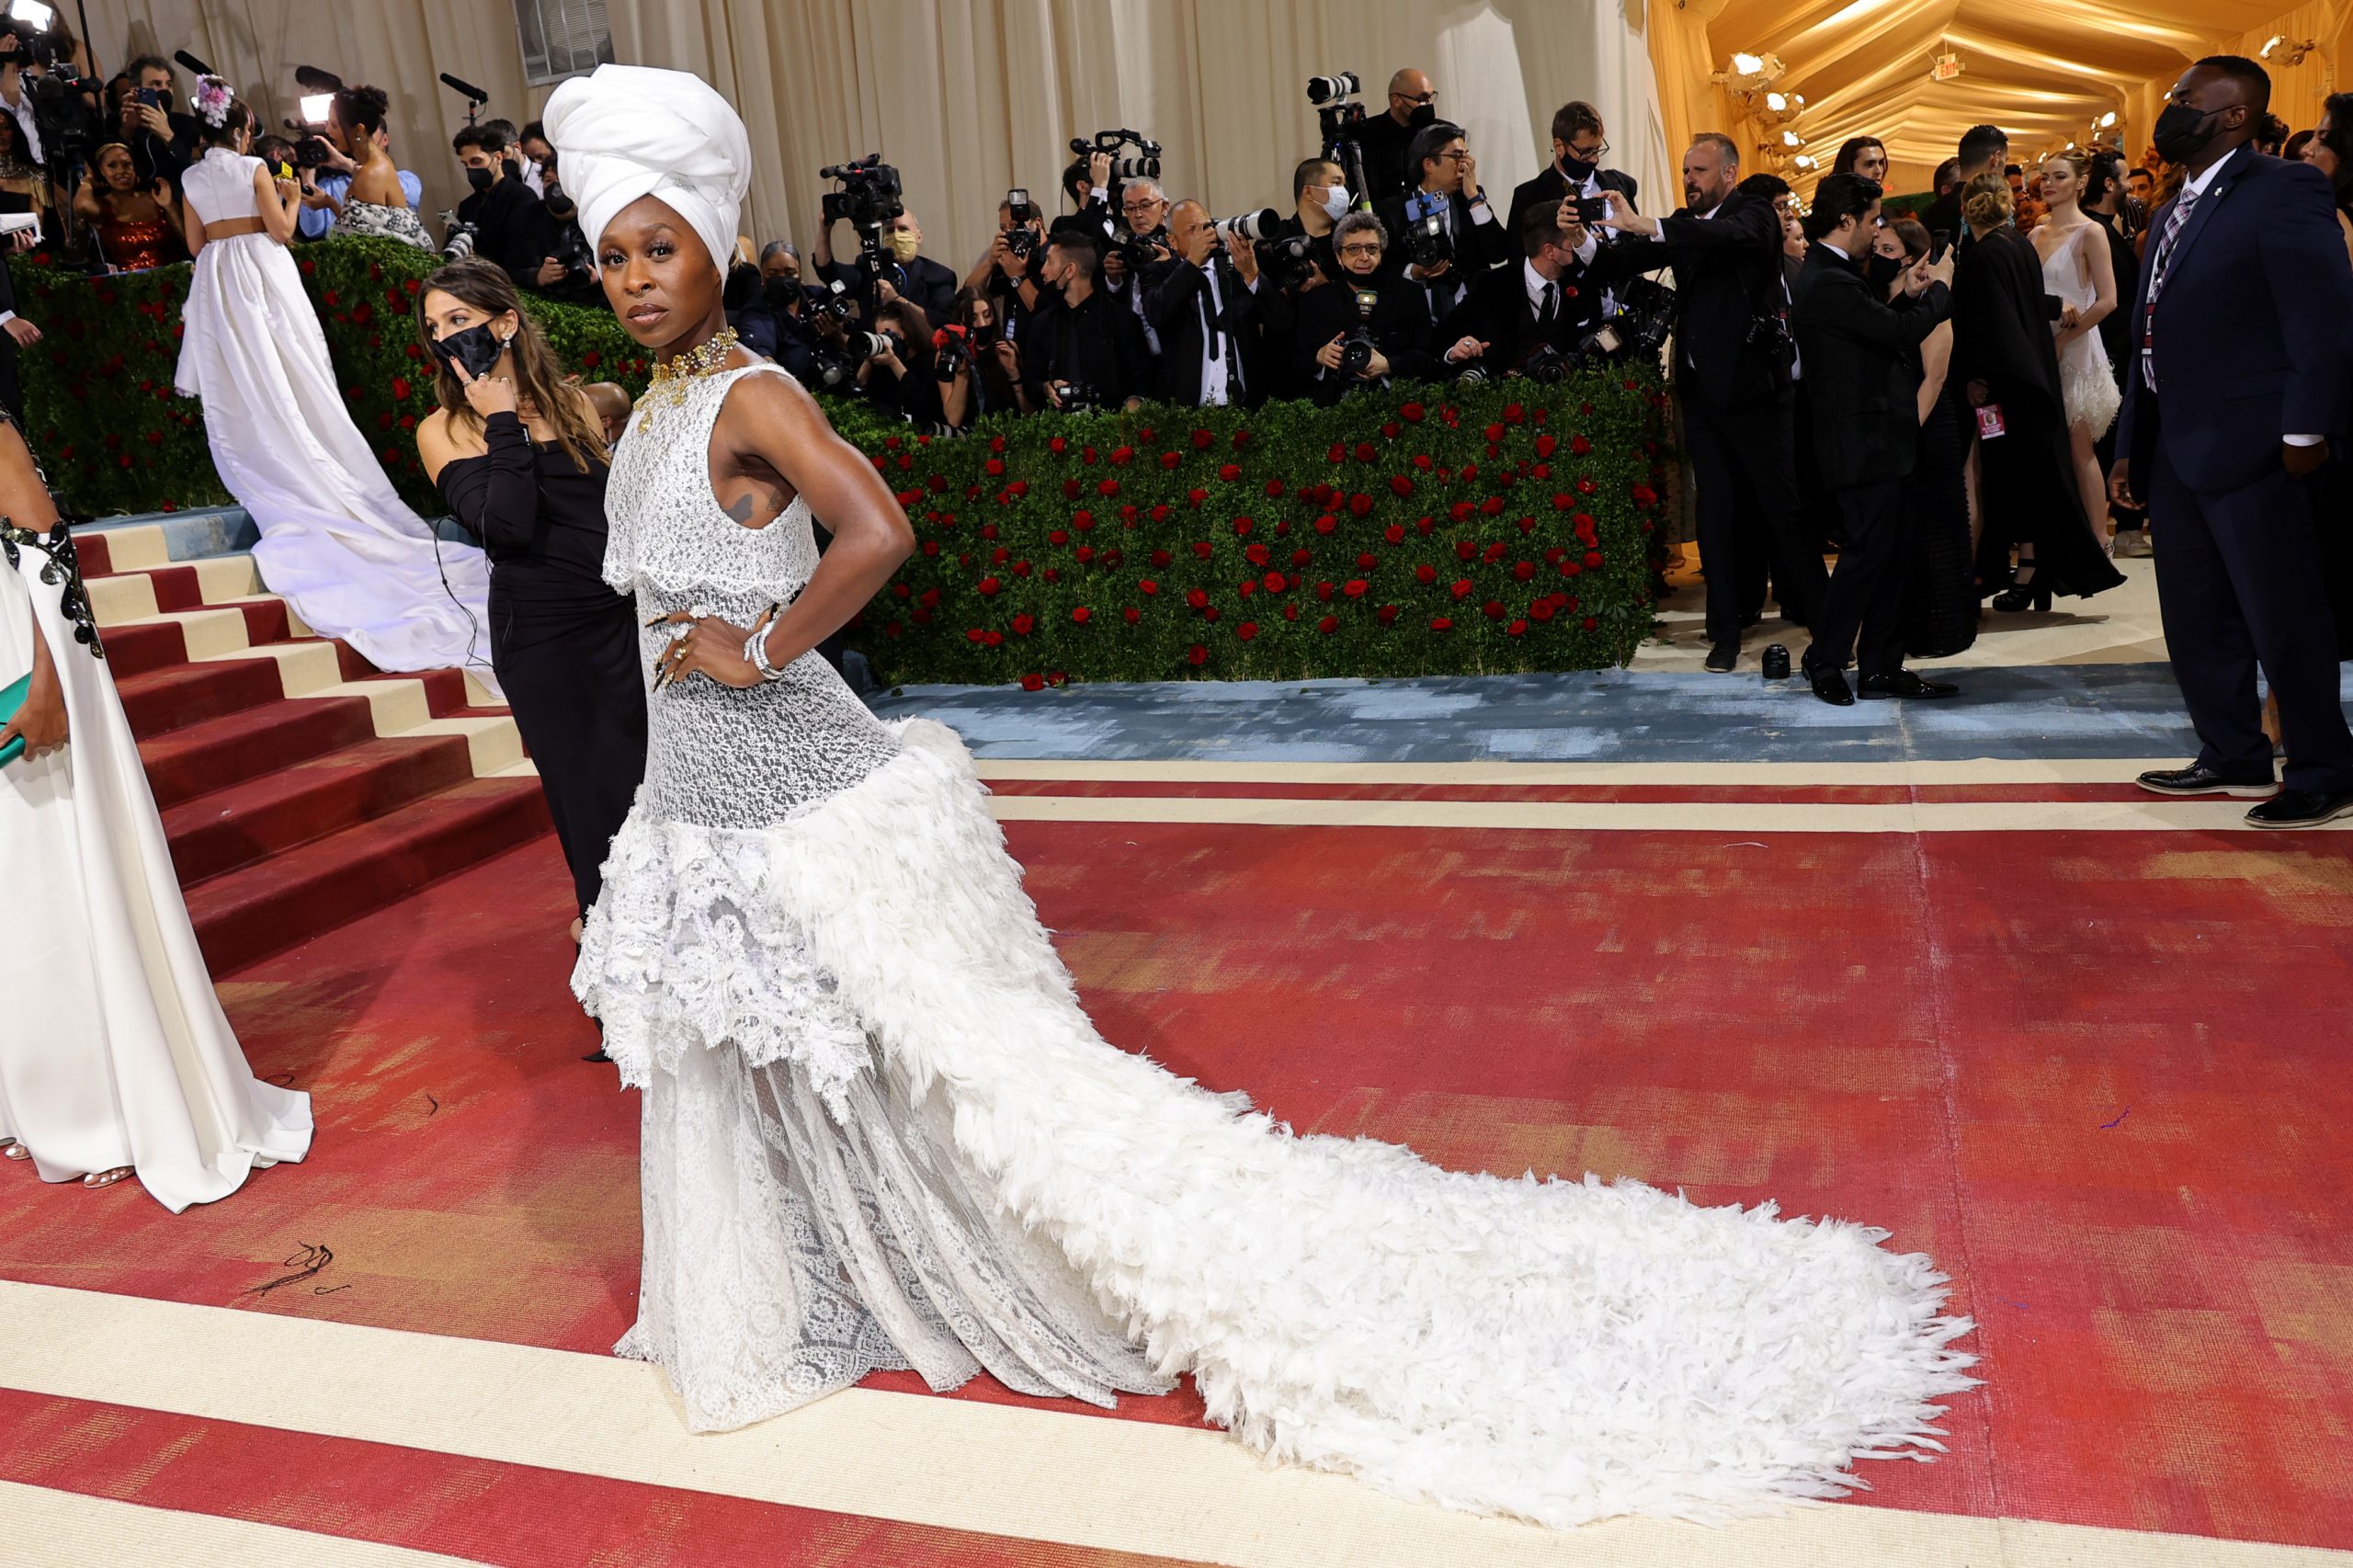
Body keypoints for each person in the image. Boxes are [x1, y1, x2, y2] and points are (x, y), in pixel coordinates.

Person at [544, 60, 1976, 1524]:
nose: (639, 278)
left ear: (715, 245)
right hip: (701, 793)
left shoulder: (754, 397)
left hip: (800, 786)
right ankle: (790, 1281)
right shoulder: (653, 410)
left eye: (661, 247)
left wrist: (764, 647)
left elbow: (882, 528)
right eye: (613, 254)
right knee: (753, 1046)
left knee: (945, 1063)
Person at [0, 418, 313, 1207]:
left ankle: (107, 1106)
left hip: (21, 665)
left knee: (58, 879)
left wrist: (49, 684)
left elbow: (46, 551)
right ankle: (27, 1100)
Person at [170, 80, 496, 687]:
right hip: (263, 272)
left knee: (245, 379)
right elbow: (281, 232)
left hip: (216, 278)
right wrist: (291, 198)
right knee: (295, 370)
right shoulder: (253, 167)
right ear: (241, 130)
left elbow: (193, 244)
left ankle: (268, 452)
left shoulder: (190, 180)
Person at [2113, 56, 2353, 827]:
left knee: (2284, 614)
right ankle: (2230, 750)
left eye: (2186, 98)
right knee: (2195, 612)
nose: (2171, 108)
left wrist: (2305, 429)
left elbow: (2321, 320)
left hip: (2262, 444)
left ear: (2235, 115)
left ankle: (2323, 767)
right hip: (2177, 445)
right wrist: (2128, 445)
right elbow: (2145, 337)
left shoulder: (2285, 188)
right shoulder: (2172, 204)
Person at [414, 257, 646, 939]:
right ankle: (616, 957)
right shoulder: (444, 430)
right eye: (435, 328)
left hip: (621, 624)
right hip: (545, 640)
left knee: (653, 791)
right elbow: (506, 528)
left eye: (461, 320)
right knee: (593, 804)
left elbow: (613, 519)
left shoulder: (575, 405)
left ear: (506, 322)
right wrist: (501, 422)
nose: (447, 338)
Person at [1593, 134, 1829, 669]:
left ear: (1729, 172)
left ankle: (1828, 622)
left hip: (1757, 393)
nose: (1689, 179)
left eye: (1698, 170)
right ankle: (1723, 634)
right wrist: (1582, 243)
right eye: (1684, 170)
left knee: (1782, 511)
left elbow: (1727, 236)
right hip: (1701, 394)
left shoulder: (1756, 215)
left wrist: (1647, 224)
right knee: (1715, 513)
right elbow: (1633, 256)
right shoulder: (1686, 222)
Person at [1790, 175, 1957, 705]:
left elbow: (1879, 329)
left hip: (1880, 438)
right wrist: (1942, 290)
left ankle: (1883, 667)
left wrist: (1909, 296)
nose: (1877, 229)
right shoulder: (1829, 280)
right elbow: (1898, 334)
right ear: (1846, 221)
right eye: (1872, 220)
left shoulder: (1837, 275)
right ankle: (1827, 657)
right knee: (1866, 555)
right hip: (1861, 442)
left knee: (1892, 555)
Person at [1949, 173, 2123, 612]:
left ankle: (2019, 569)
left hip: (2003, 388)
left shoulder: (1985, 254)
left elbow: (1991, 320)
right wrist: (2053, 308)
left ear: (1967, 209)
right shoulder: (2018, 243)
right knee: (2029, 475)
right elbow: (2026, 299)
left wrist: (1979, 379)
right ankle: (2030, 567)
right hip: (2030, 379)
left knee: (2007, 478)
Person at [1876, 217, 1975, 658]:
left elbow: (1934, 378)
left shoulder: (1934, 300)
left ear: (1912, 256)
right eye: (1876, 247)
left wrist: (1904, 434)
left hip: (1927, 425)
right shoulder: (1879, 298)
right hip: (1898, 426)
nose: (1877, 255)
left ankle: (1942, 631)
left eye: (1887, 249)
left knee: (1936, 529)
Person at [2030, 153, 2121, 559]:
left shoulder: (2091, 233)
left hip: (2077, 347)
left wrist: (2065, 339)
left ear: (2081, 183)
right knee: (2046, 448)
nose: (2048, 183)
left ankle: (2100, 539)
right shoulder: (2034, 234)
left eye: (2059, 176)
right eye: (2045, 177)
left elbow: (2108, 301)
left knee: (2078, 446)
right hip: (2040, 348)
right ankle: (2058, 538)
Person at [1290, 211, 1470, 404]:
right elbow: (1293, 364)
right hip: (1331, 410)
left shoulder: (1409, 294)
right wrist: (1319, 357)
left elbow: (1427, 359)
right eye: (1353, 249)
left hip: (1396, 407)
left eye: (1372, 248)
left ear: (1381, 253)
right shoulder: (1315, 301)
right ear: (1338, 256)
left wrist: (1388, 365)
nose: (1364, 257)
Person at [1143, 199, 1277, 407]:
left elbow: (1281, 321)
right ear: (1173, 240)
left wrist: (1252, 274)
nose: (1202, 235)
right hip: (1189, 408)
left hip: (1248, 405)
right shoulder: (1158, 272)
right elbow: (1156, 313)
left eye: (1206, 227)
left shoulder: (1236, 267)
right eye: (1191, 230)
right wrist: (1192, 263)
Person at [2082, 152, 2150, 555]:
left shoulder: (2110, 228)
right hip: (2105, 353)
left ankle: (2120, 522)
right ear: (2109, 184)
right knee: (2103, 440)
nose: (2131, 187)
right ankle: (2115, 526)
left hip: (2115, 352)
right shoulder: (2094, 230)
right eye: (2125, 179)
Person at [1377, 119, 1509, 325]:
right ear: (1429, 164)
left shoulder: (1471, 199)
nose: (1466, 166)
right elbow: (1380, 268)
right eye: (1457, 157)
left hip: (1473, 316)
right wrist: (1413, 271)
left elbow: (1498, 252)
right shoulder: (1392, 210)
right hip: (1417, 318)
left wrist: (1474, 198)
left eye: (1466, 156)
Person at [1450, 203, 1600, 379]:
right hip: (1504, 398)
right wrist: (1455, 352)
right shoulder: (1491, 284)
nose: (1579, 249)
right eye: (1573, 244)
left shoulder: (1584, 283)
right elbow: (1447, 336)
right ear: (1550, 251)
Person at [1012, 231, 1154, 410]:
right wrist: (1046, 388)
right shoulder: (1042, 324)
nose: (1043, 270)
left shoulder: (1122, 321)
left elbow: (1143, 382)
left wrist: (1133, 403)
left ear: (1070, 270)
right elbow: (1031, 383)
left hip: (1114, 429)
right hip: (1059, 432)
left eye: (1049, 261)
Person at [1507, 100, 1638, 238]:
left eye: (1597, 149)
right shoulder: (1529, 197)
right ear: (1559, 146)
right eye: (1586, 152)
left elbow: (1638, 242)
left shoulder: (1621, 183)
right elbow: (1521, 257)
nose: (1594, 159)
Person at [324, 85, 430, 251]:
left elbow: (364, 246)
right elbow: (364, 229)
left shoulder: (370, 174)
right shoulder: (378, 164)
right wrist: (329, 202)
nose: (327, 131)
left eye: (334, 125)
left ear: (358, 130)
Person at [815, 208, 957, 327]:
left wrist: (897, 300)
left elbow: (944, 322)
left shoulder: (939, 276)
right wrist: (824, 230)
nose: (896, 236)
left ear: (919, 237)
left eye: (903, 229)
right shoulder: (869, 268)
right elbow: (828, 271)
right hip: (874, 352)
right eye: (890, 231)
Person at [73, 142, 182, 271]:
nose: (121, 171)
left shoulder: (156, 198)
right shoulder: (103, 206)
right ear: (101, 171)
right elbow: (82, 206)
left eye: (127, 165)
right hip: (129, 286)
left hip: (172, 283)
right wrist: (88, 180)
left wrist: (169, 207)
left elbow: (189, 240)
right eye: (112, 166)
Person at [853, 296, 947, 426]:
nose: (885, 340)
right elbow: (857, 398)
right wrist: (868, 361)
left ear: (908, 332)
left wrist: (894, 363)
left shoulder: (930, 360)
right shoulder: (880, 364)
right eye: (880, 336)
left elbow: (924, 406)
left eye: (889, 334)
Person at [1921, 124, 2006, 260]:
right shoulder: (1990, 209)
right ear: (1996, 158)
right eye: (2005, 162)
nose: (2003, 172)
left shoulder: (1930, 211)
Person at [1356, 67, 1438, 207]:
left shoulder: (1439, 134)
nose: (1428, 104)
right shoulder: (1365, 134)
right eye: (1422, 98)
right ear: (1396, 100)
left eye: (1431, 96)